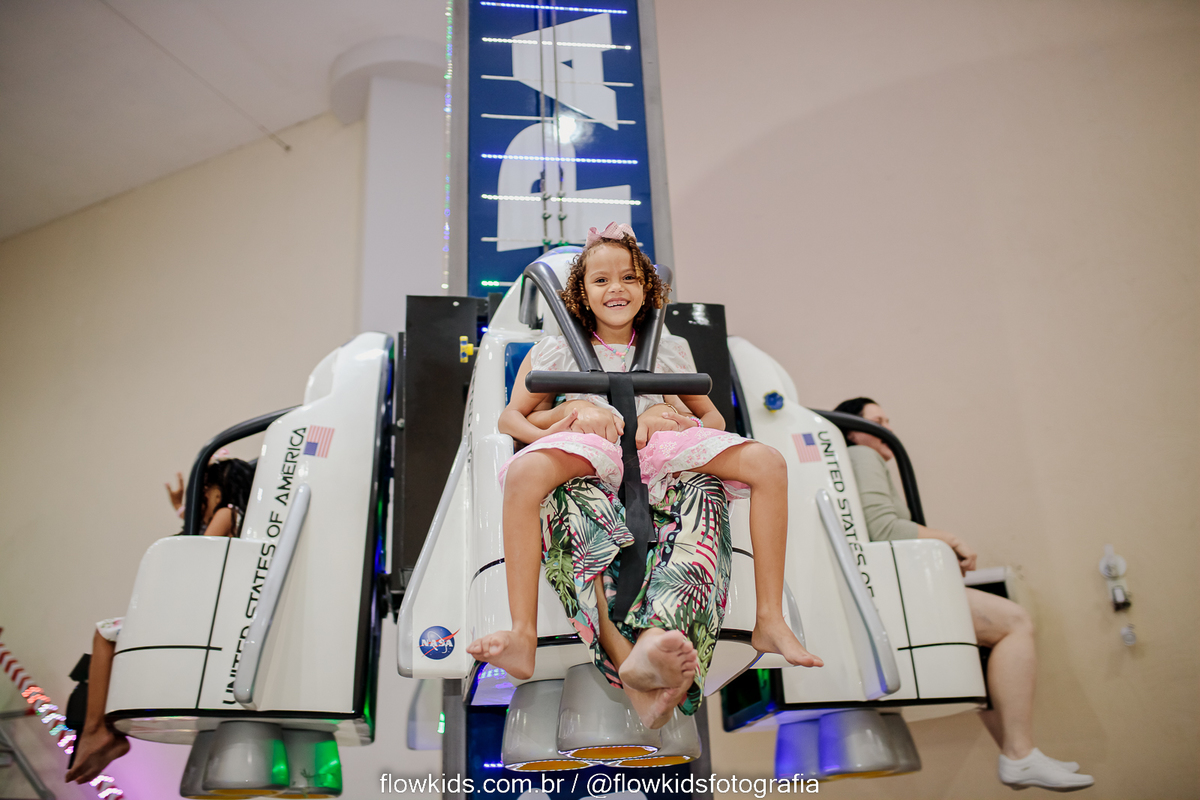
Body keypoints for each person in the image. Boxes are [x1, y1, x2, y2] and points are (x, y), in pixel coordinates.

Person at [467, 223, 822, 730]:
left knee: (769, 463)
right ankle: (523, 632)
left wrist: (673, 417)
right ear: (581, 293)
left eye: (629, 278)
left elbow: (712, 416)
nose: (616, 288)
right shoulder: (554, 350)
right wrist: (569, 415)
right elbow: (511, 419)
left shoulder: (669, 349)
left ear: (647, 287)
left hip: (660, 452)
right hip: (592, 449)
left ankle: (769, 617)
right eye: (601, 280)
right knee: (525, 473)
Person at [835, 397, 1093, 791]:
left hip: (889, 591)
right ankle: (1020, 754)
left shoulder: (855, 460)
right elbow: (883, 529)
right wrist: (949, 539)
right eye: (877, 421)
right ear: (855, 430)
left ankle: (1019, 755)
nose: (887, 428)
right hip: (896, 593)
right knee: (1015, 622)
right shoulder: (862, 455)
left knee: (987, 646)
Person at [65, 457, 254, 784]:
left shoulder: (227, 513)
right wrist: (182, 510)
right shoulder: (240, 520)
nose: (201, 503)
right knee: (109, 646)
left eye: (204, 493)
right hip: (204, 616)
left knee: (104, 634)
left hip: (195, 618)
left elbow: (194, 557)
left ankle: (97, 730)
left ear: (216, 491)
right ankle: (102, 729)